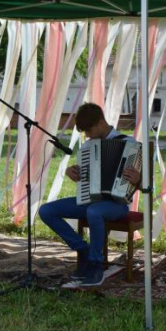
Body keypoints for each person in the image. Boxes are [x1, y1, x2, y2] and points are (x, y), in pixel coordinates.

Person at [39, 103, 141, 287]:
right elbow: (85, 179)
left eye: (89, 130)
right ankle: (83, 250)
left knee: (94, 211)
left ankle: (96, 265)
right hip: (90, 200)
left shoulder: (129, 144)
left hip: (116, 204)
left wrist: (138, 179)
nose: (87, 135)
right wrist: (74, 173)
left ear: (101, 123)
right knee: (46, 211)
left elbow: (146, 184)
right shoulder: (88, 147)